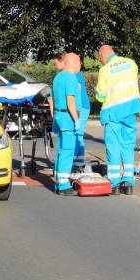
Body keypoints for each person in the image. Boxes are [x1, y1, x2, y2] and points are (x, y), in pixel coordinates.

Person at [95, 45, 140, 195]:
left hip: (113, 113)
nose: (101, 60)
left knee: (113, 147)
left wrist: (101, 96)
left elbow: (100, 95)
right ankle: (128, 181)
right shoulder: (131, 63)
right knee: (128, 146)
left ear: (103, 55)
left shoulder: (105, 69)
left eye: (100, 57)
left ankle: (115, 183)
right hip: (130, 111)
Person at [51, 52, 81, 195]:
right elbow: (70, 100)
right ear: (73, 62)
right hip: (68, 118)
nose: (80, 64)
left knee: (61, 151)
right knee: (68, 151)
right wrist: (76, 120)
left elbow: (53, 100)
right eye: (79, 61)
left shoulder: (58, 77)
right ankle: (63, 185)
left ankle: (58, 181)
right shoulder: (70, 77)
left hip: (59, 116)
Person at [67, 52, 91, 171]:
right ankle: (79, 163)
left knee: (76, 136)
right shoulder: (77, 73)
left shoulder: (74, 74)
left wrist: (75, 112)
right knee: (79, 136)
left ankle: (73, 165)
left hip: (81, 107)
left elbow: (75, 94)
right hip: (83, 107)